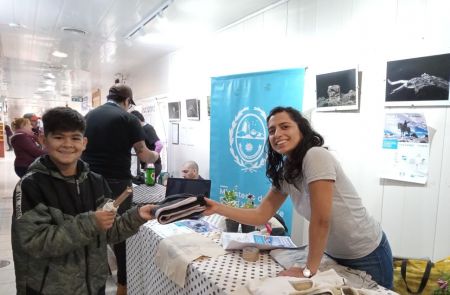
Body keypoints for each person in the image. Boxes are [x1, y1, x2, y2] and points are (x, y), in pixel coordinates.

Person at [204, 106, 393, 289]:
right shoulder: (287, 171)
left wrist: (308, 272)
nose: (277, 134)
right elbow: (260, 215)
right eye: (271, 130)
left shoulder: (316, 155)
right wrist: (216, 208)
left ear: (302, 129)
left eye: (285, 126)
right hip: (333, 254)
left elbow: (321, 220)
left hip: (366, 254)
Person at [11, 107, 157, 294]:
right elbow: (34, 243)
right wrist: (91, 222)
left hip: (93, 286)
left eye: (75, 138)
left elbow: (109, 232)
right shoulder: (31, 186)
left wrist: (137, 216)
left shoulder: (96, 181)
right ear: (43, 141)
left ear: (84, 142)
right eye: (58, 137)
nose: (67, 144)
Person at [82, 81, 159, 294]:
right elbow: (144, 154)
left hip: (89, 180)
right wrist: (157, 154)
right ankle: (123, 285)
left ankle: (92, 279)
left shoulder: (89, 115)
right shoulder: (128, 118)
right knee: (120, 233)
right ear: (127, 101)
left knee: (92, 227)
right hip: (117, 184)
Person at [130, 110, 163, 179]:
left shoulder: (148, 128)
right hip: (146, 164)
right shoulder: (140, 129)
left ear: (137, 120)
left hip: (153, 165)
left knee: (149, 186)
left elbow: (159, 145)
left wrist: (151, 160)